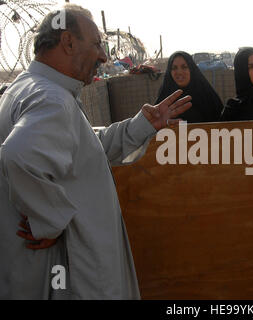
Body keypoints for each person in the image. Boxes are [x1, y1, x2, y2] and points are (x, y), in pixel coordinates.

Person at [0, 4, 191, 299]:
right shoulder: (52, 99)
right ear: (68, 42)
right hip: (70, 279)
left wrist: (141, 126)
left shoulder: (29, 89)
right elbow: (18, 154)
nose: (103, 56)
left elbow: (84, 151)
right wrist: (50, 220)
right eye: (98, 45)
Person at [155, 51, 223, 123]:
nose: (179, 72)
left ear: (191, 69)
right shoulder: (165, 99)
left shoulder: (206, 96)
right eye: (174, 68)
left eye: (184, 67)